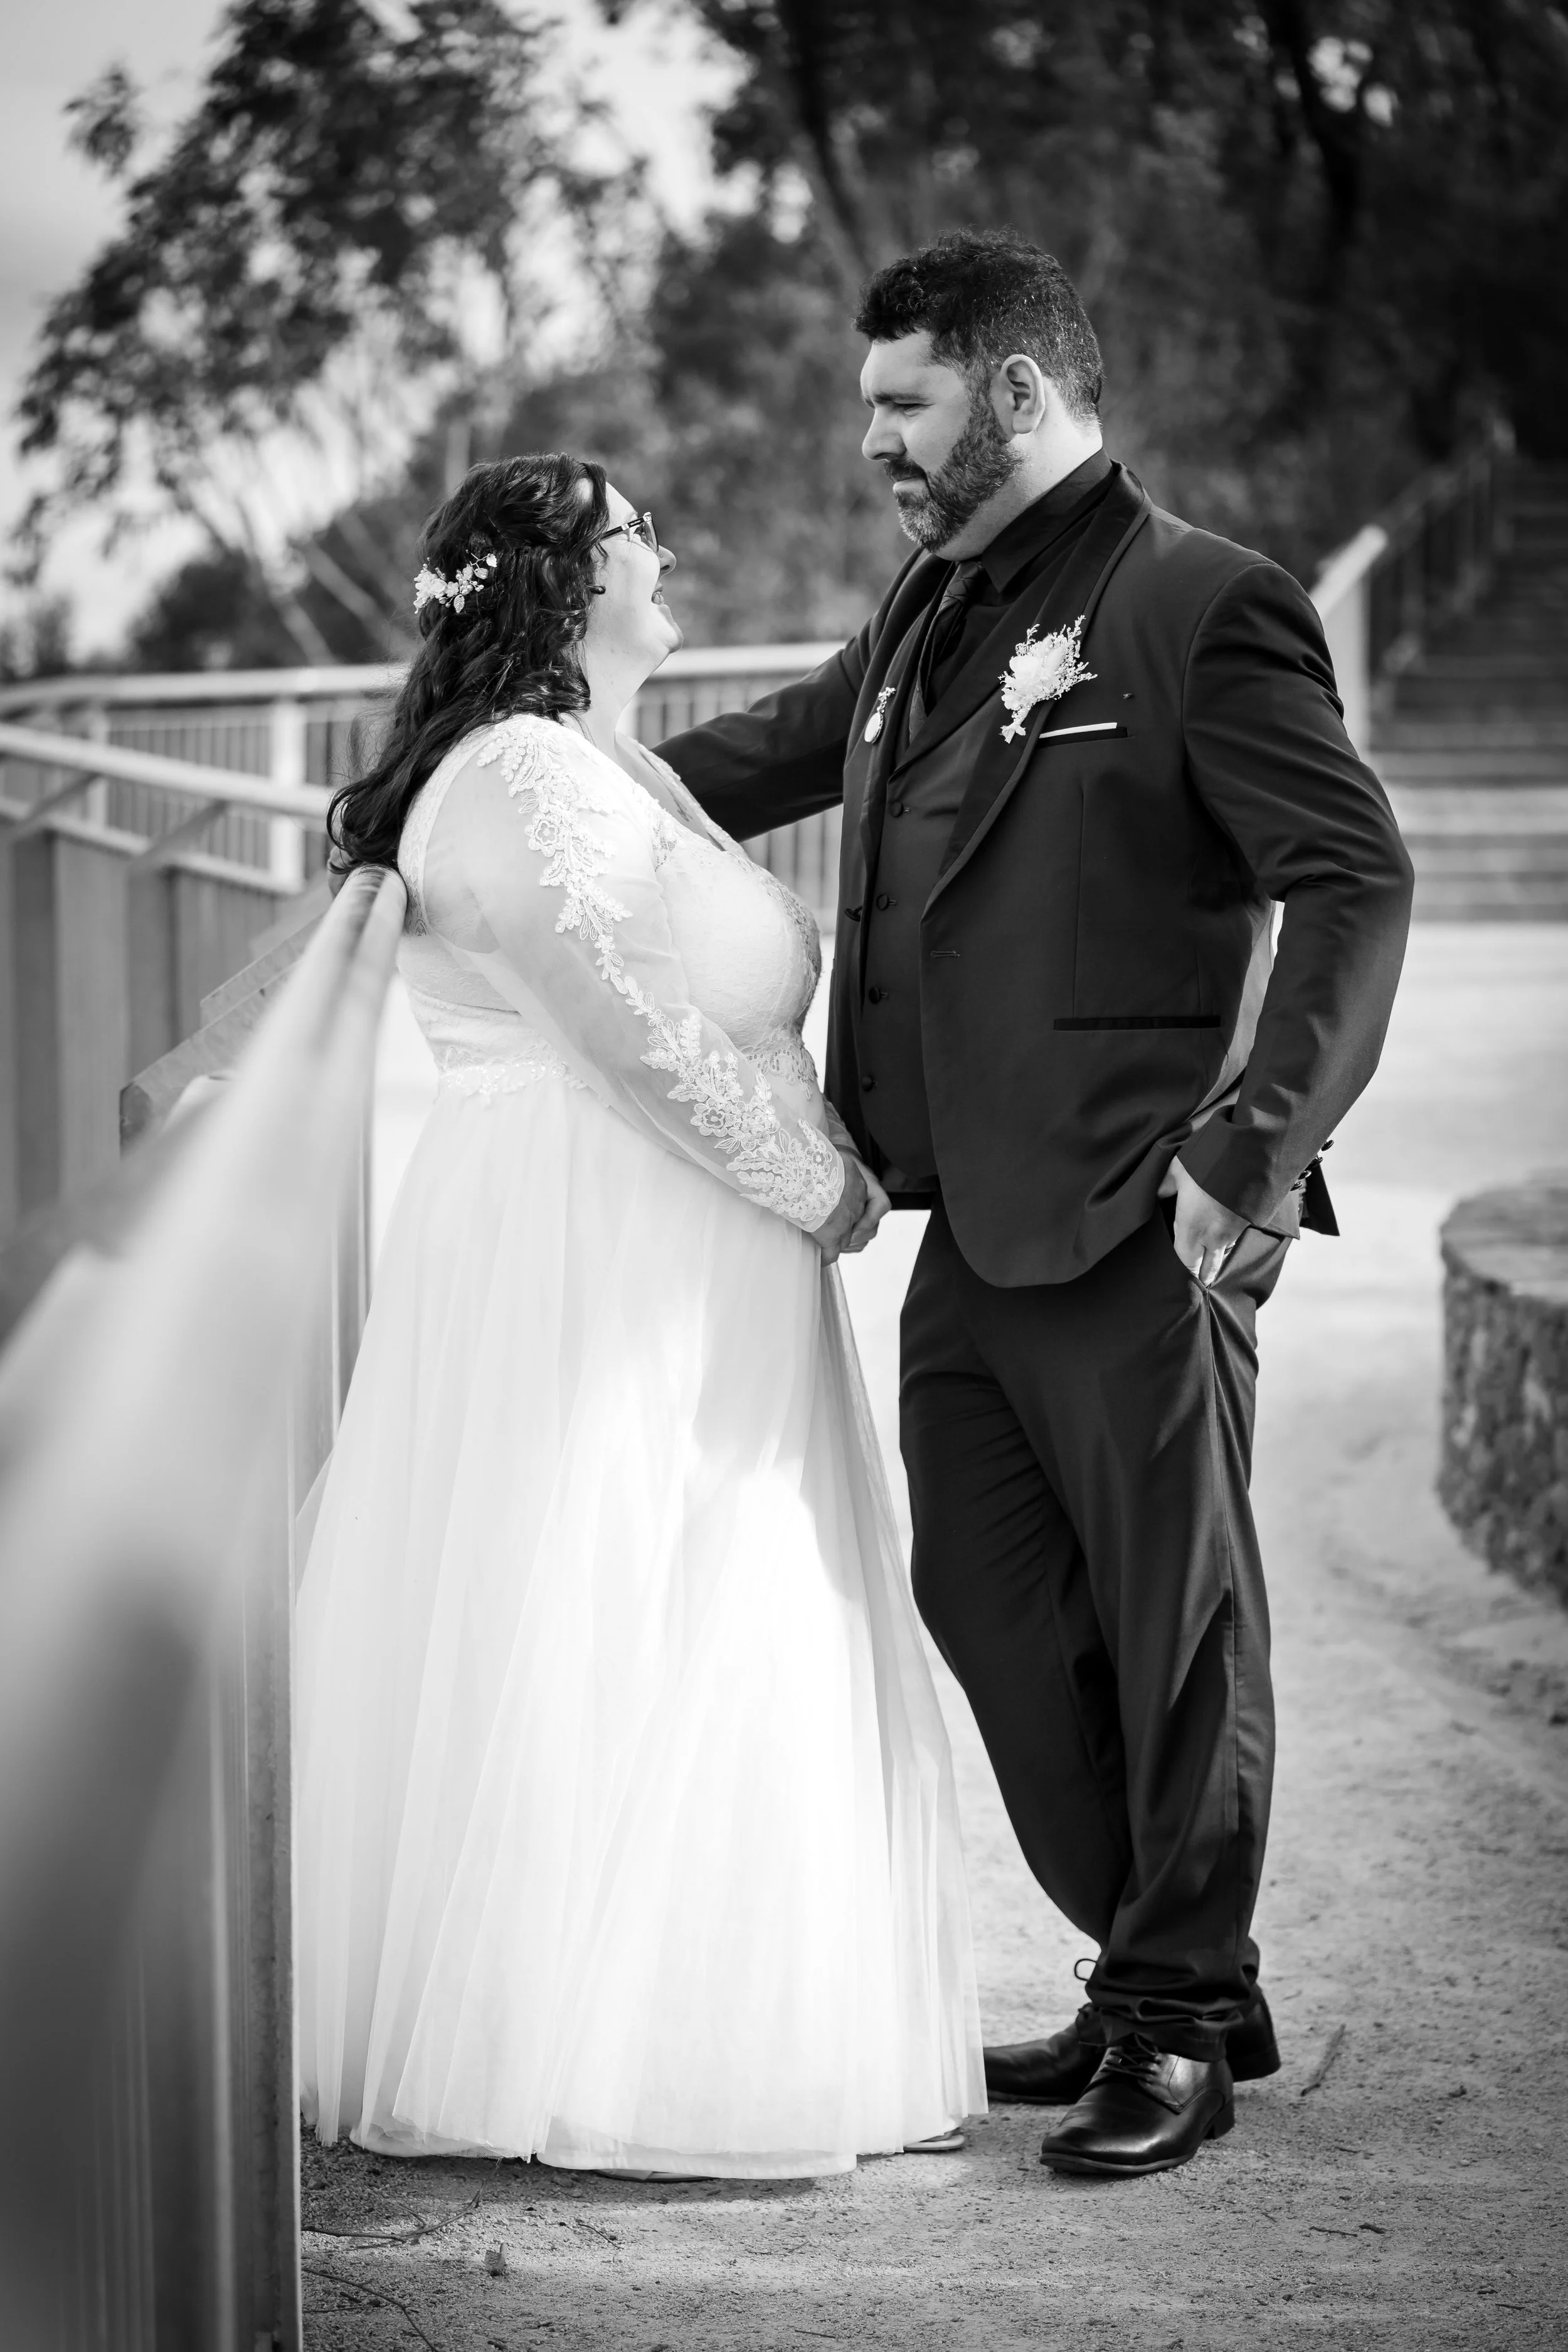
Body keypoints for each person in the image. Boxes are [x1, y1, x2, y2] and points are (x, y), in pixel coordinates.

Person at [659, 231, 1415, 2180]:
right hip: (962, 1223)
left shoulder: (1198, 605)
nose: (873, 445)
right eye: (865, 407)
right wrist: (526, 783)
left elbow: (1351, 878)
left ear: (1010, 387)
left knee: (1174, 1623)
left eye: (901, 402)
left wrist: (1247, 1148)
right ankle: (1169, 1959)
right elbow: (775, 751)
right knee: (985, 1602)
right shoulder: (929, 604)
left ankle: (1173, 2010)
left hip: (1136, 1209)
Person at [294, 453, 985, 2177]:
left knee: (698, 1609)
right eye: (631, 539)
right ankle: (595, 2055)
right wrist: (815, 1180)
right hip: (604, 1247)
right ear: (556, 587)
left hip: (677, 1245)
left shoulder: (592, 762)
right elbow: (619, 1021)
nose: (665, 553)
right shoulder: (520, 771)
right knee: (608, 1606)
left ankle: (693, 2018)